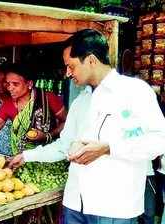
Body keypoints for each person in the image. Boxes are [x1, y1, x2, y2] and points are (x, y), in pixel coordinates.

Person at [8, 29, 165, 223]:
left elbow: (159, 141)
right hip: (75, 202)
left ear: (91, 60)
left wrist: (108, 148)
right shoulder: (80, 102)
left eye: (71, 66)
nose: (67, 73)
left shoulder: (135, 91)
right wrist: (26, 156)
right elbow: (65, 145)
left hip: (114, 207)